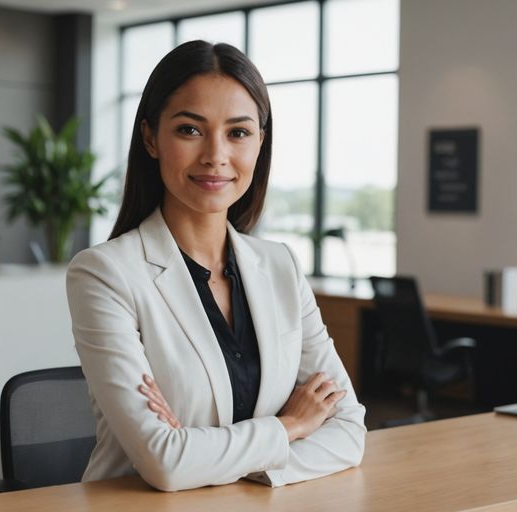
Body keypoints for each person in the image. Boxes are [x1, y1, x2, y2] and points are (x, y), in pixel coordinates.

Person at [66, 41, 366, 492]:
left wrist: (207, 454)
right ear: (151, 138)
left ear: (260, 142)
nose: (215, 155)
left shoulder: (280, 266)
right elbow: (164, 462)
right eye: (190, 130)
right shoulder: (105, 274)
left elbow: (348, 432)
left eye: (238, 133)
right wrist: (290, 427)